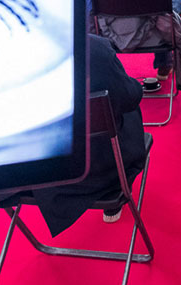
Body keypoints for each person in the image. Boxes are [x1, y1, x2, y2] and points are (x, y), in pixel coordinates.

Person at [28, 34, 147, 234]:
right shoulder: (95, 48)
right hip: (96, 168)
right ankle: (115, 187)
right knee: (125, 106)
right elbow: (129, 98)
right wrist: (134, 85)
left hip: (28, 172)